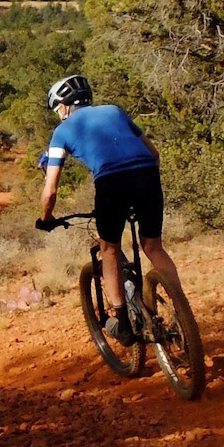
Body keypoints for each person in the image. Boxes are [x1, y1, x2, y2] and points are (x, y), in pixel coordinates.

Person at [34, 73, 185, 347]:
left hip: (112, 182)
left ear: (64, 107)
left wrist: (46, 218)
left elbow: (50, 190)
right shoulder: (115, 111)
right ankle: (182, 311)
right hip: (147, 176)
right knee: (153, 246)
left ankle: (123, 322)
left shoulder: (61, 132)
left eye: (57, 110)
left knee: (110, 250)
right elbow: (154, 154)